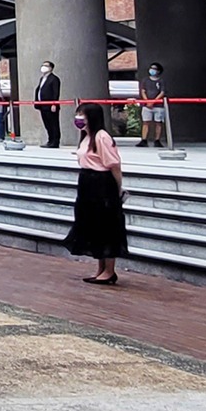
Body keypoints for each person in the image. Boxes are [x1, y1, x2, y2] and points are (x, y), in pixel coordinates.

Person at [65, 102, 127, 285]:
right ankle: (101, 268)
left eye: (82, 115)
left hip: (101, 184)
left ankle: (109, 270)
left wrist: (118, 188)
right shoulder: (87, 136)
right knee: (93, 225)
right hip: (87, 183)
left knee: (106, 225)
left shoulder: (102, 137)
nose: (78, 119)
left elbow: (114, 165)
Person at [35, 60, 62, 148]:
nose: (43, 67)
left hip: (50, 105)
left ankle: (55, 141)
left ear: (51, 68)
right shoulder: (42, 79)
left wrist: (54, 103)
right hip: (42, 105)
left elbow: (56, 92)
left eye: (46, 65)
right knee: (47, 124)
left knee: (53, 123)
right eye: (43, 65)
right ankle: (50, 140)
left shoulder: (54, 79)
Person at [140, 62, 166, 148]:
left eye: (154, 69)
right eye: (151, 68)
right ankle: (144, 140)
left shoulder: (161, 81)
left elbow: (162, 92)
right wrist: (147, 101)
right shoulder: (145, 80)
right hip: (146, 106)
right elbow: (143, 91)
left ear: (158, 71)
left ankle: (157, 140)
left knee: (158, 123)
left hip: (158, 106)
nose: (152, 70)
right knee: (146, 122)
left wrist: (153, 101)